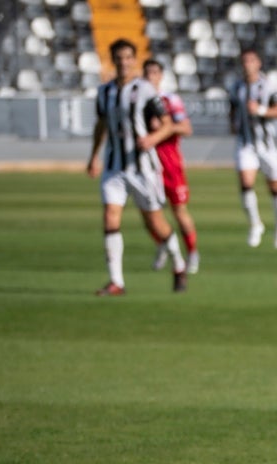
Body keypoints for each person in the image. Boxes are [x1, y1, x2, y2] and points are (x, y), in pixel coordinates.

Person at [86, 38, 188, 296]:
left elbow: (167, 123)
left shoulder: (144, 90)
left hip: (143, 168)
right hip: (114, 167)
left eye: (127, 57)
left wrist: (152, 139)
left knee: (155, 222)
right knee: (110, 217)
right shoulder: (104, 92)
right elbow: (101, 126)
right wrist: (93, 156)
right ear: (113, 60)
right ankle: (116, 282)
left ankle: (178, 263)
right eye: (118, 58)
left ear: (134, 60)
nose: (123, 62)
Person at [142, 58, 200, 275]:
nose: (151, 76)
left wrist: (163, 129)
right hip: (145, 164)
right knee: (148, 214)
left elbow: (186, 128)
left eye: (155, 72)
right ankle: (162, 245)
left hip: (169, 163)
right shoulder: (138, 100)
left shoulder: (170, 99)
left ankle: (192, 252)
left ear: (160, 75)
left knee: (179, 211)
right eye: (147, 72)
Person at [228, 46, 277, 250]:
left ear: (258, 64)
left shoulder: (268, 86)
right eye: (244, 62)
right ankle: (255, 224)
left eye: (250, 61)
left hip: (268, 145)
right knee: (245, 183)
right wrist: (233, 124)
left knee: (275, 189)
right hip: (246, 144)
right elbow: (233, 108)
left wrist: (261, 110)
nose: (247, 65)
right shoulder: (237, 87)